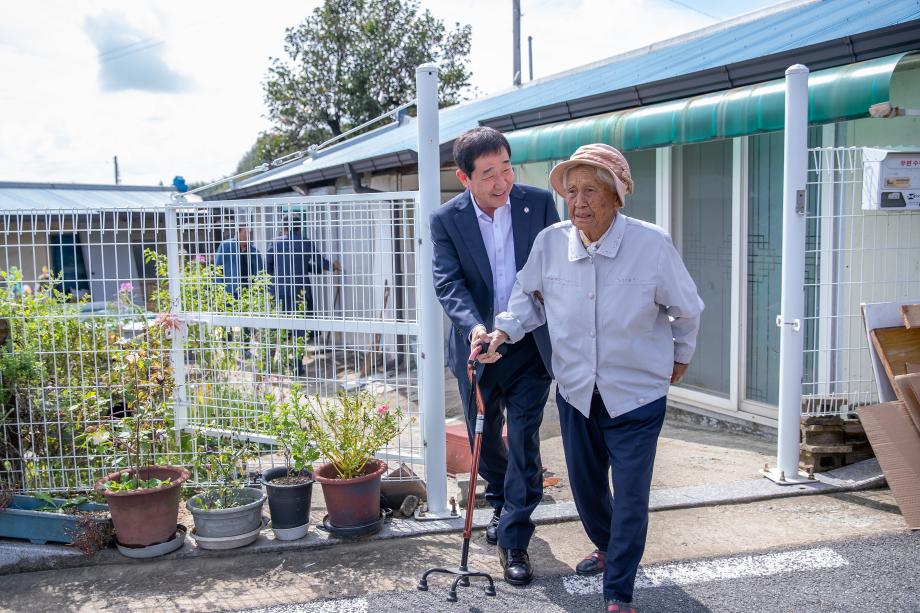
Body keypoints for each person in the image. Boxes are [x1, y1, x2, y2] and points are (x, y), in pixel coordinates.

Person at [484, 143, 703, 612]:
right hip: (576, 390)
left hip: (637, 394)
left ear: (617, 196)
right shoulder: (551, 244)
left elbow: (687, 309)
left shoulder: (651, 244)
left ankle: (619, 591)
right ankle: (608, 548)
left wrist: (681, 354)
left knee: (629, 494)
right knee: (585, 488)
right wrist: (504, 329)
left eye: (590, 190)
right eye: (571, 190)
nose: (578, 201)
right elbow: (527, 298)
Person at [430, 127, 560, 586]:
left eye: (506, 168)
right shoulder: (446, 220)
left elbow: (552, 270)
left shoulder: (538, 203)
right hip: (477, 347)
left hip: (527, 345)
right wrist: (476, 329)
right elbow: (449, 283)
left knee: (525, 437)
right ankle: (501, 500)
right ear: (465, 178)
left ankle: (514, 538)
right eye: (488, 174)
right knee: (483, 440)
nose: (501, 181)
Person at [214, 224, 264, 297]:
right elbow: (217, 269)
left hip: (250, 293)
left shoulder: (254, 251)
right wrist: (221, 290)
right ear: (238, 233)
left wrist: (258, 291)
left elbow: (260, 273)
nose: (248, 235)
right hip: (230, 292)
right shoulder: (226, 246)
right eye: (245, 232)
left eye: (250, 232)